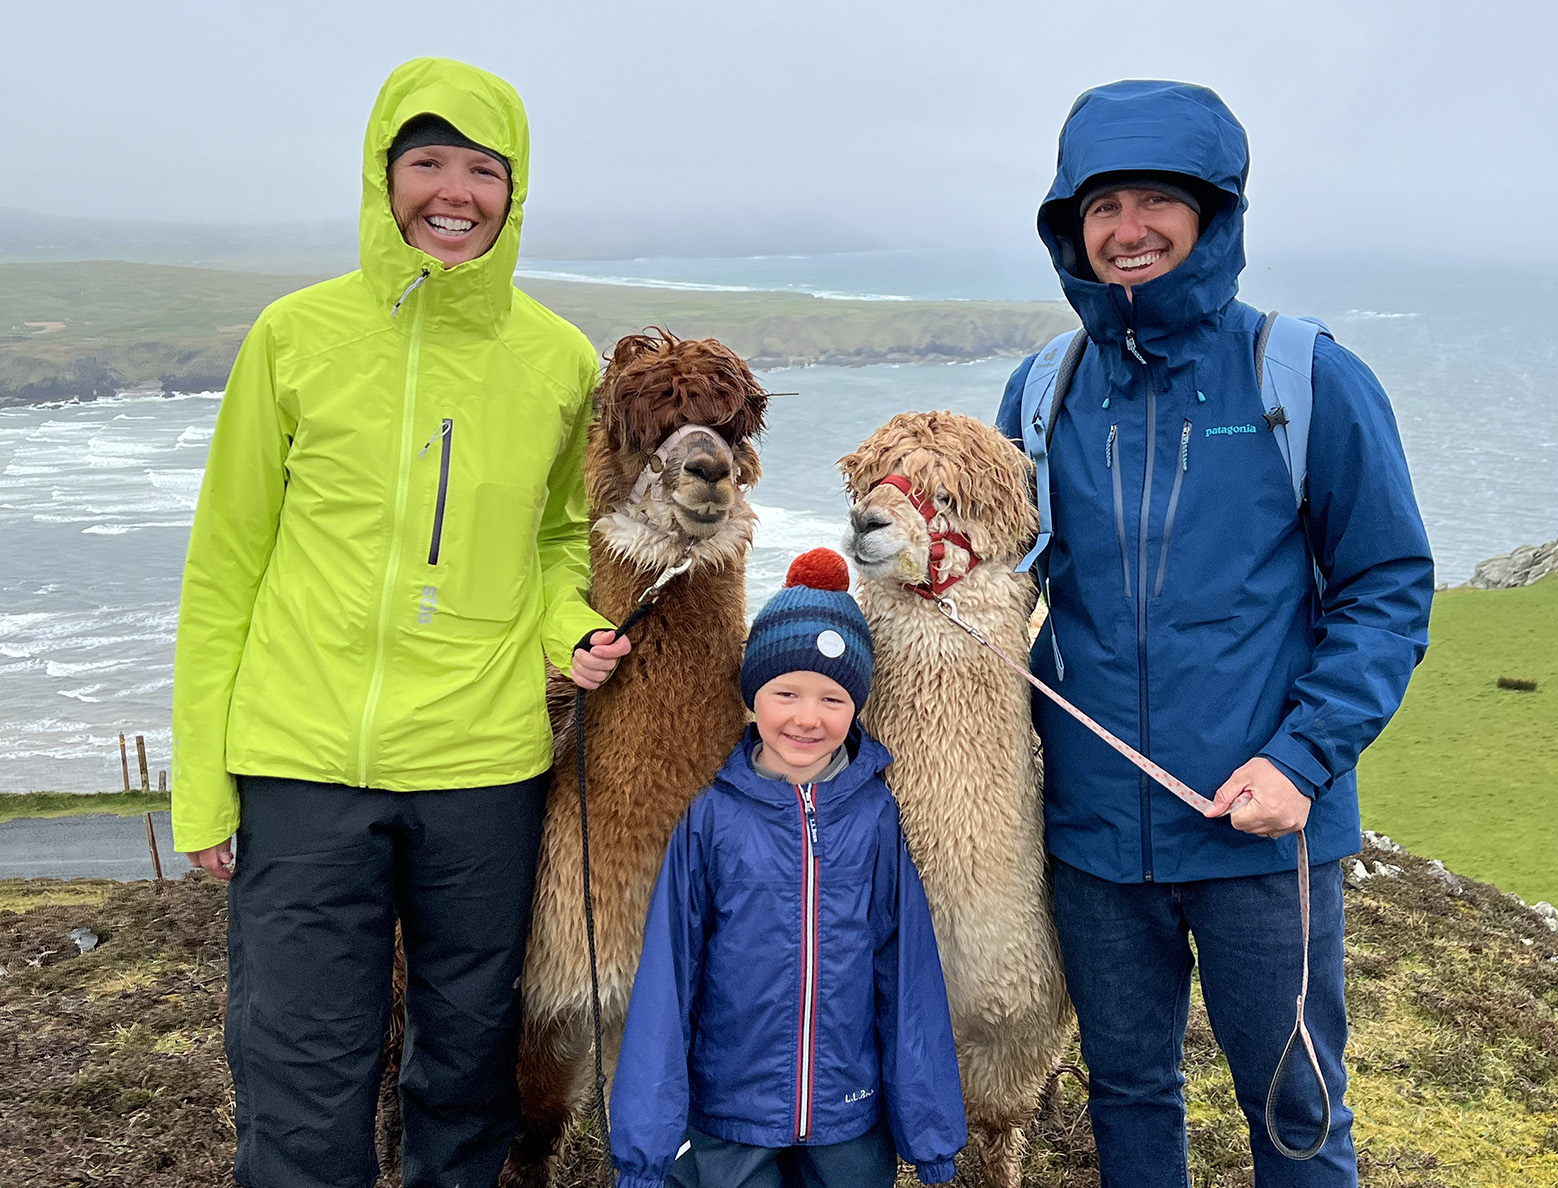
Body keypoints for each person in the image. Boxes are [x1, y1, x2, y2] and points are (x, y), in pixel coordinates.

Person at [170, 57, 629, 1187]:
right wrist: (202, 780)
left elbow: (555, 543)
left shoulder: (559, 359)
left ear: (516, 192)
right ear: (384, 176)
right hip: (300, 757)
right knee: (300, 1062)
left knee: (468, 1061)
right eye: (428, 162)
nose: (454, 193)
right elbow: (225, 564)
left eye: (483, 169)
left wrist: (562, 633)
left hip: (480, 766)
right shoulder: (293, 336)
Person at [997, 81, 1435, 1185]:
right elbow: (987, 583)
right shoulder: (1042, 389)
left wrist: (1301, 763)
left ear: (1213, 216)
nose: (1127, 229)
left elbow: (1388, 586)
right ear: (1069, 224)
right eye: (1101, 206)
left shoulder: (1304, 376)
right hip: (1093, 835)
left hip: (1263, 832)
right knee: (1129, 1098)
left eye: (1156, 202)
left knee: (1296, 1110)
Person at [610, 549, 967, 1188]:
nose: (807, 717)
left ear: (857, 705)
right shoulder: (710, 814)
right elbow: (670, 973)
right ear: (754, 696)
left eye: (833, 697)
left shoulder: (875, 813)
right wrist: (647, 1147)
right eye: (786, 693)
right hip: (729, 1115)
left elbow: (906, 972)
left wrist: (930, 1134)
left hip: (848, 1117)